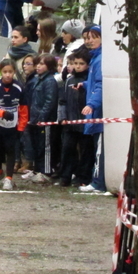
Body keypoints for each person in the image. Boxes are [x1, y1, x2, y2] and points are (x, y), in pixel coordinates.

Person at [0, 58, 29, 190]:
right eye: (5, 72)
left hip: (12, 127)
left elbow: (24, 109)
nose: (8, 75)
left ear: (14, 72)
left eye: (10, 72)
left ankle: (9, 178)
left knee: (11, 151)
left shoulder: (19, 88)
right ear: (1, 72)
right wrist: (2, 113)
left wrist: (21, 126)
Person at [58, 47, 93, 187]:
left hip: (85, 122)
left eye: (81, 63)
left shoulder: (89, 81)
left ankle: (83, 177)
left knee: (86, 151)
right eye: (75, 63)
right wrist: (62, 117)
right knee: (67, 149)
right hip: (70, 122)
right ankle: (65, 175)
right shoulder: (69, 80)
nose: (77, 66)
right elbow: (63, 101)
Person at [78, 25, 105, 193]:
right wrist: (84, 84)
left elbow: (102, 85)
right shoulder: (95, 59)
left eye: (93, 37)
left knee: (100, 150)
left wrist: (91, 104)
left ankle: (98, 183)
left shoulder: (101, 59)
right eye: (87, 38)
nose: (89, 41)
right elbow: (95, 83)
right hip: (96, 112)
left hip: (100, 113)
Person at [25, 54, 59, 184]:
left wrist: (42, 118)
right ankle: (37, 169)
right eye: (37, 63)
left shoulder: (49, 81)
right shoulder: (37, 80)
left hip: (44, 121)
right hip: (35, 119)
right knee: (36, 146)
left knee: (45, 146)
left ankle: (46, 171)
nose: (38, 66)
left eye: (42, 64)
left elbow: (49, 101)